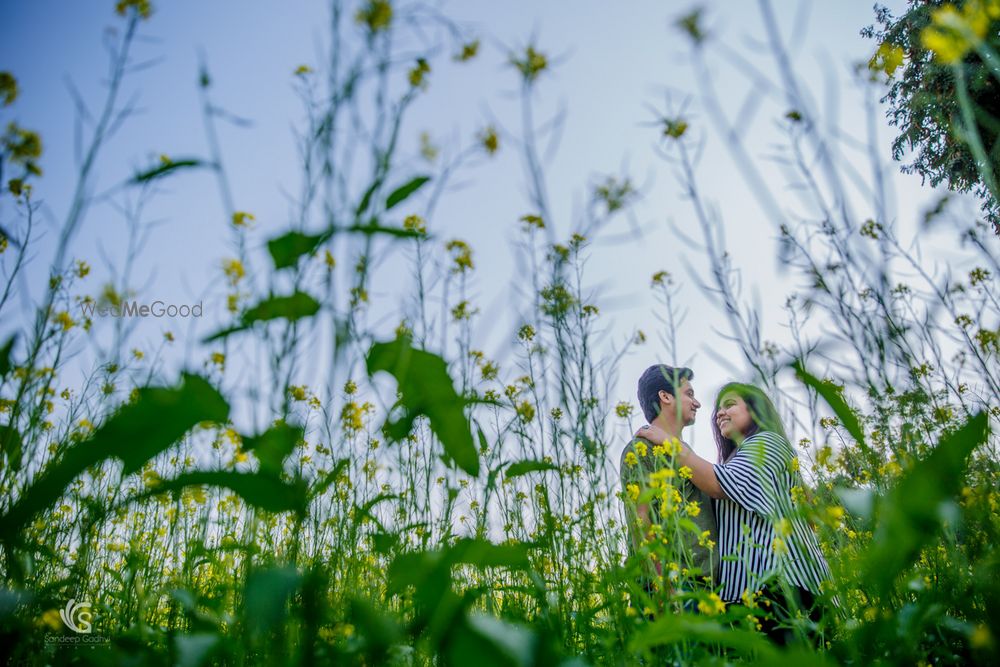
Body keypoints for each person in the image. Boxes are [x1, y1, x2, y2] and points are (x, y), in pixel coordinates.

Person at [635, 382, 831, 645]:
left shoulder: (768, 442)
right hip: (749, 596)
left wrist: (670, 444)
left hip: (785, 587)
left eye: (729, 405)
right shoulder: (736, 458)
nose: (719, 413)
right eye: (718, 409)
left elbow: (719, 485)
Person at [620, 365, 719, 611]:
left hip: (705, 589)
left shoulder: (685, 454)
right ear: (665, 396)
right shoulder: (643, 449)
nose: (696, 403)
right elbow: (641, 521)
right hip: (676, 590)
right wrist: (665, 587)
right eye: (689, 394)